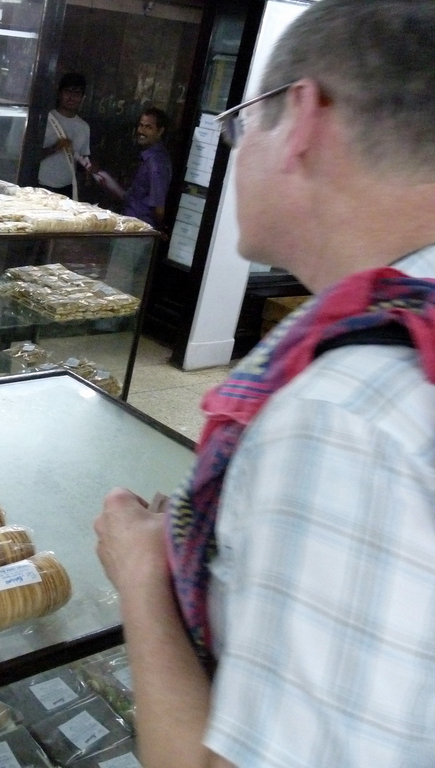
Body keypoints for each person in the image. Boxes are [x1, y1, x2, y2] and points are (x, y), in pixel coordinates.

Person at [94, 2, 435, 767]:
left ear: (304, 118)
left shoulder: (347, 414)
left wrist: (143, 576)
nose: (235, 150)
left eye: (244, 121)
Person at [95, 107, 172, 229]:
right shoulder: (147, 157)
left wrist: (157, 229)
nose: (142, 131)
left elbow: (158, 209)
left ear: (160, 131)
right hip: (129, 223)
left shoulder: (156, 162)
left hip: (139, 228)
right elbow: (134, 197)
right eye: (141, 126)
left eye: (148, 127)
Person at [38, 73, 94, 200]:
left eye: (77, 93)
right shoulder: (44, 119)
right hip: (40, 186)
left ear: (82, 98)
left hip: (67, 189)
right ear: (59, 93)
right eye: (68, 91)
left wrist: (89, 170)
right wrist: (54, 148)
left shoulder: (84, 127)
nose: (72, 97)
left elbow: (82, 159)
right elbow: (26, 157)